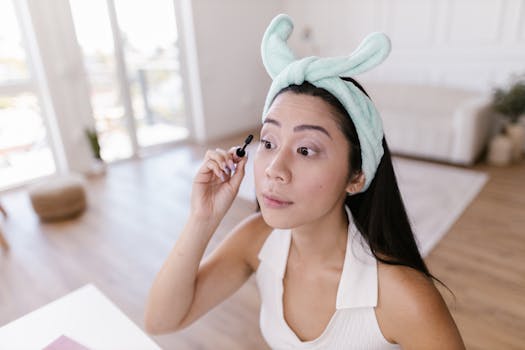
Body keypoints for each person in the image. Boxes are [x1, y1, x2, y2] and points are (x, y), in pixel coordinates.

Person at [145, 14, 466, 349]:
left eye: (306, 150)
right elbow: (162, 320)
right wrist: (203, 218)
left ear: (356, 177)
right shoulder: (259, 240)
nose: (274, 169)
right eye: (268, 143)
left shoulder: (403, 297)